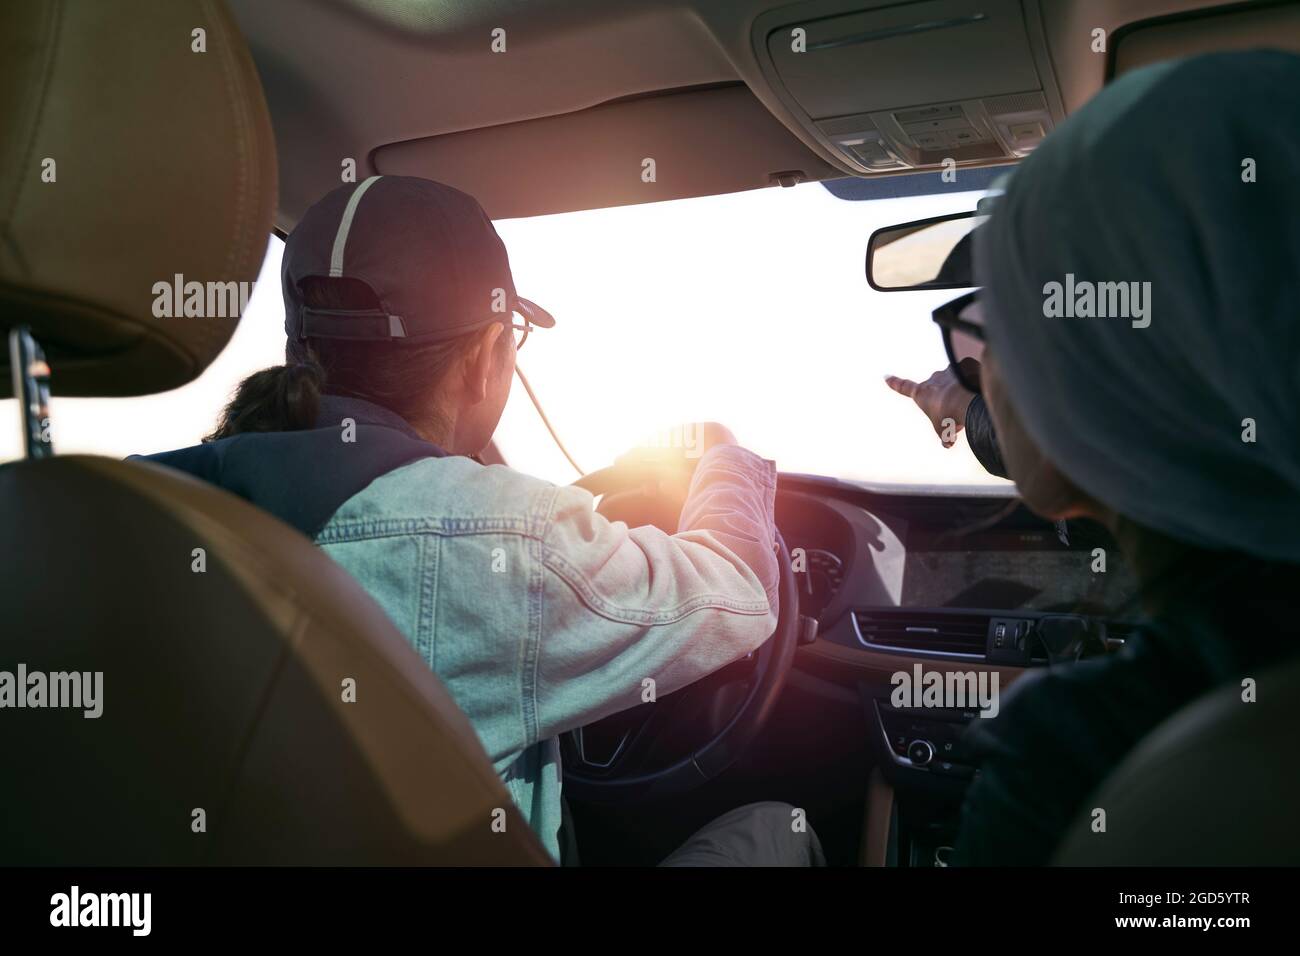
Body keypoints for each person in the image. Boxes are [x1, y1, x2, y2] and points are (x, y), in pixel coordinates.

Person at [141, 175, 823, 866]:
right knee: (778, 829)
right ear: (485, 355)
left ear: (299, 344)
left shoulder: (125, 499)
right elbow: (737, 589)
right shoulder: (513, 540)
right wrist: (725, 454)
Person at [902, 51, 1300, 864]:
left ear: (1096, 373)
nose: (986, 364)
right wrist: (952, 403)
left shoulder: (1074, 763)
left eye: (1001, 324)